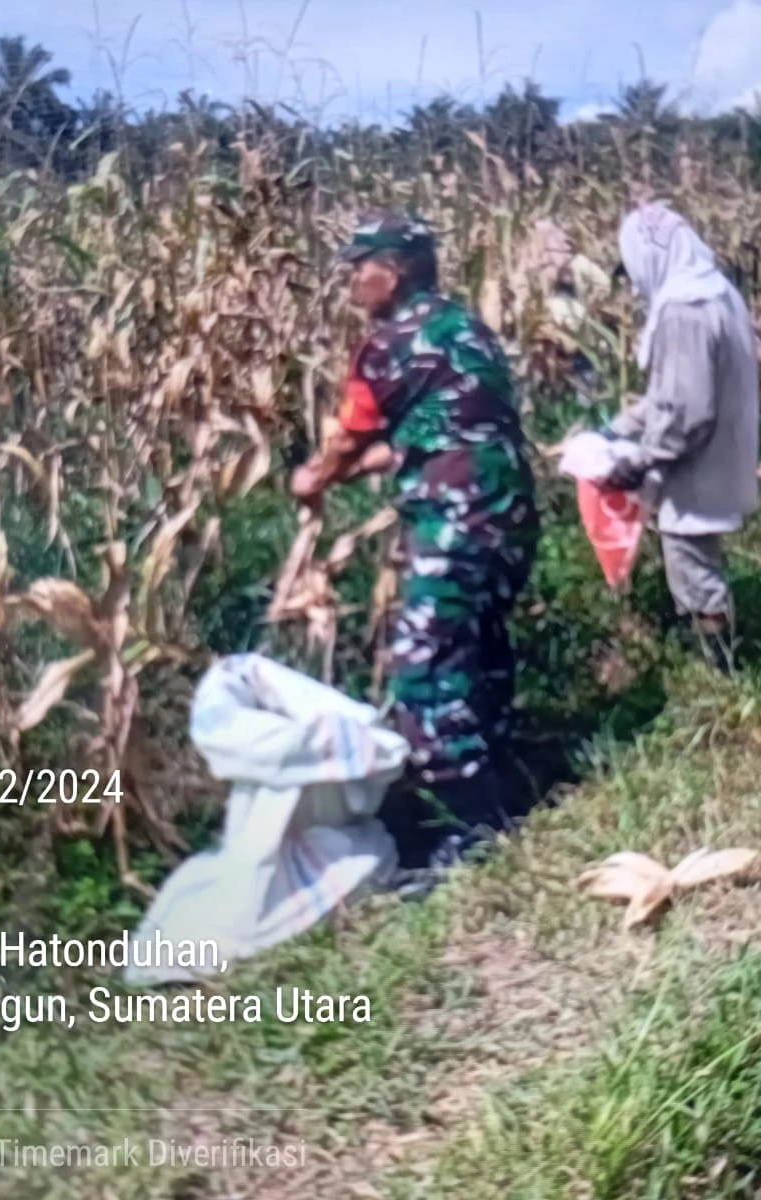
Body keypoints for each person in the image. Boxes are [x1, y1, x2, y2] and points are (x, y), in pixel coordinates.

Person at [291, 213, 540, 867]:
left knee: (424, 673)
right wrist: (348, 469)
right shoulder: (467, 329)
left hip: (453, 520)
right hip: (508, 508)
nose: (350, 279)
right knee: (481, 646)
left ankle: (478, 829)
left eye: (359, 266)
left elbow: (349, 440)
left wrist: (312, 481)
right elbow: (442, 428)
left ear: (393, 271)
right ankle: (511, 782)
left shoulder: (386, 344)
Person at [598, 200, 760, 667]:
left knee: (693, 565)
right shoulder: (715, 292)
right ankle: (714, 655)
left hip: (697, 458)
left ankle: (720, 672)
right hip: (723, 443)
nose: (633, 288)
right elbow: (674, 393)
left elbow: (684, 411)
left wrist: (642, 459)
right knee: (698, 558)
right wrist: (617, 427)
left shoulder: (683, 310)